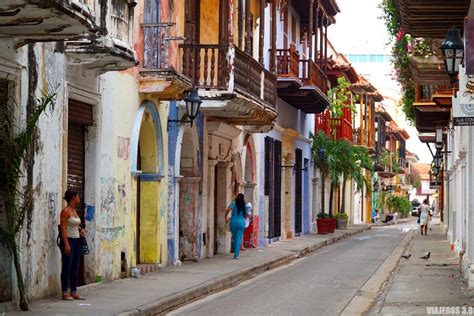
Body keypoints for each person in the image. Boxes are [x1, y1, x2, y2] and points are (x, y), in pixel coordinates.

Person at [59, 190, 86, 300]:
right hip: (69, 241)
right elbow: (63, 228)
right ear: (73, 198)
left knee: (75, 266)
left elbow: (74, 225)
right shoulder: (65, 211)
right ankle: (65, 292)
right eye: (78, 195)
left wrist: (81, 230)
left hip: (77, 241)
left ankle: (74, 291)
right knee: (67, 266)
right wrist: (66, 244)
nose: (79, 197)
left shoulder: (74, 211)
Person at [225, 193, 248, 259]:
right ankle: (236, 254)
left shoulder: (233, 203)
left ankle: (235, 252)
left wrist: (226, 216)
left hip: (233, 222)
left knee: (234, 238)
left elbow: (228, 209)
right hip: (241, 223)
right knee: (238, 238)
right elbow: (246, 215)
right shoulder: (244, 205)